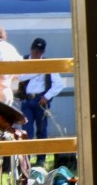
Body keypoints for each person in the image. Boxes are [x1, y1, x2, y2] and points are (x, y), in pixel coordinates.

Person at [18, 38, 65, 166]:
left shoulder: (48, 64)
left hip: (40, 100)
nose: (36, 54)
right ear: (31, 50)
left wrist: (47, 96)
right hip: (27, 100)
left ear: (42, 52)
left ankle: (41, 160)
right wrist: (37, 69)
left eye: (39, 52)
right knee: (27, 131)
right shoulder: (22, 61)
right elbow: (18, 77)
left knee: (42, 130)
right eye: (35, 51)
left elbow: (59, 84)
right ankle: (26, 161)